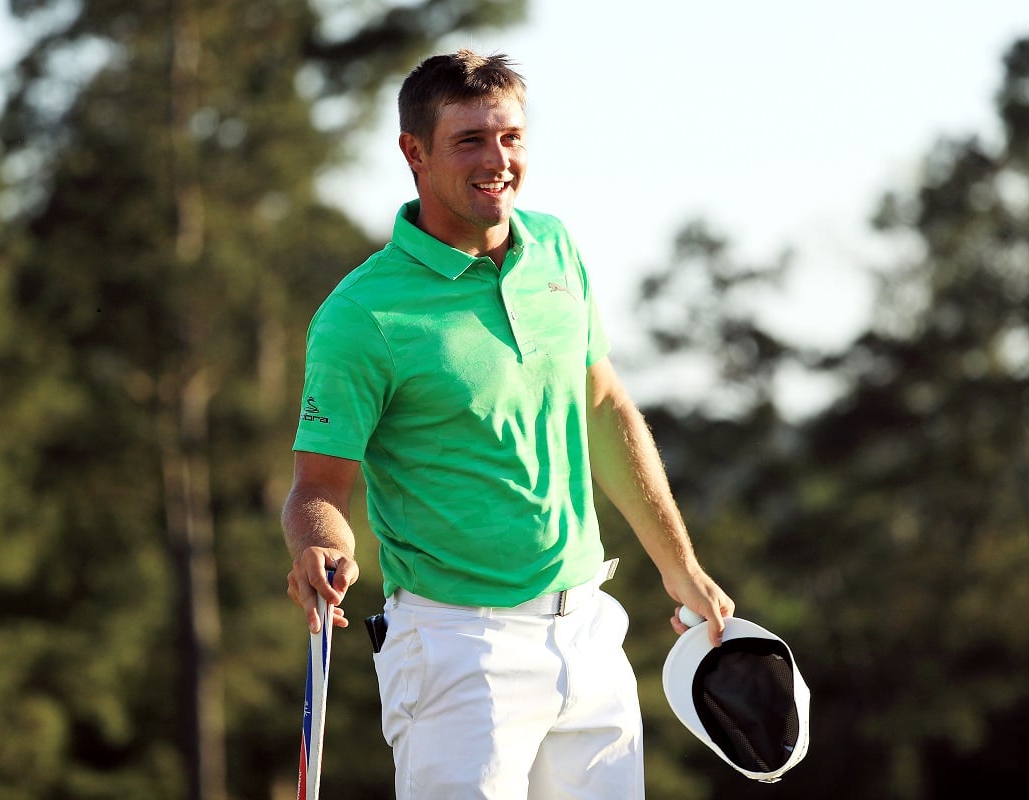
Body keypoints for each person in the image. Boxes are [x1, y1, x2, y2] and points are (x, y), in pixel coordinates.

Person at [282, 48, 734, 799]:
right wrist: (323, 545)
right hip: (456, 649)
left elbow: (602, 406)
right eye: (470, 141)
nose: (499, 161)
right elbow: (317, 485)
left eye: (512, 137)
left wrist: (676, 563)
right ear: (413, 153)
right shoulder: (361, 316)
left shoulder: (555, 248)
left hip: (588, 629)